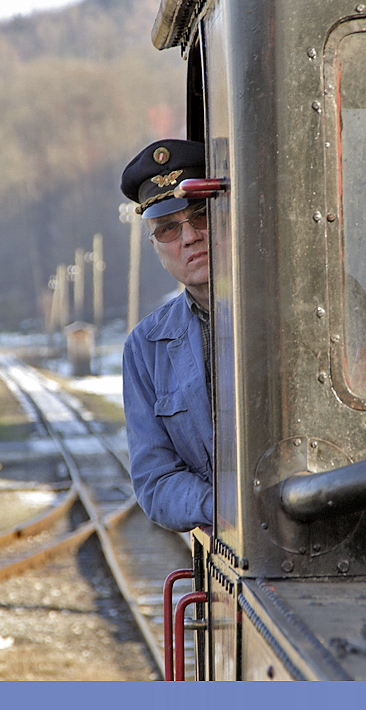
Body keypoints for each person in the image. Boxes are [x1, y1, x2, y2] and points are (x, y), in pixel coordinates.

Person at [120, 139, 213, 532]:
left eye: (202, 214)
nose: (190, 236)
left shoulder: (298, 307)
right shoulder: (144, 349)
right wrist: (221, 506)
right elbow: (155, 482)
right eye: (169, 228)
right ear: (154, 245)